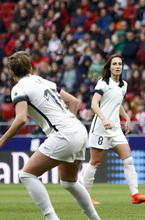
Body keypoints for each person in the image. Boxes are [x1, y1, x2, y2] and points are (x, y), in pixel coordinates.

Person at [0, 51, 100, 220]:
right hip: (80, 130)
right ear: (31, 68)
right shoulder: (45, 81)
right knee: (69, 182)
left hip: (63, 135)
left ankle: (51, 218)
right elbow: (74, 102)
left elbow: (21, 119)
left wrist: (2, 140)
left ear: (12, 73)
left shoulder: (18, 88)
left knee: (26, 175)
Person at [82, 54, 145, 205]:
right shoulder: (103, 83)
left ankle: (135, 194)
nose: (117, 66)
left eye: (119, 64)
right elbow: (94, 104)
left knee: (128, 160)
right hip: (100, 128)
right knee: (95, 162)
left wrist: (126, 118)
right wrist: (103, 118)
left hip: (115, 129)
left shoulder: (123, 85)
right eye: (114, 64)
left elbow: (116, 103)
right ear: (109, 67)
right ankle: (85, 197)